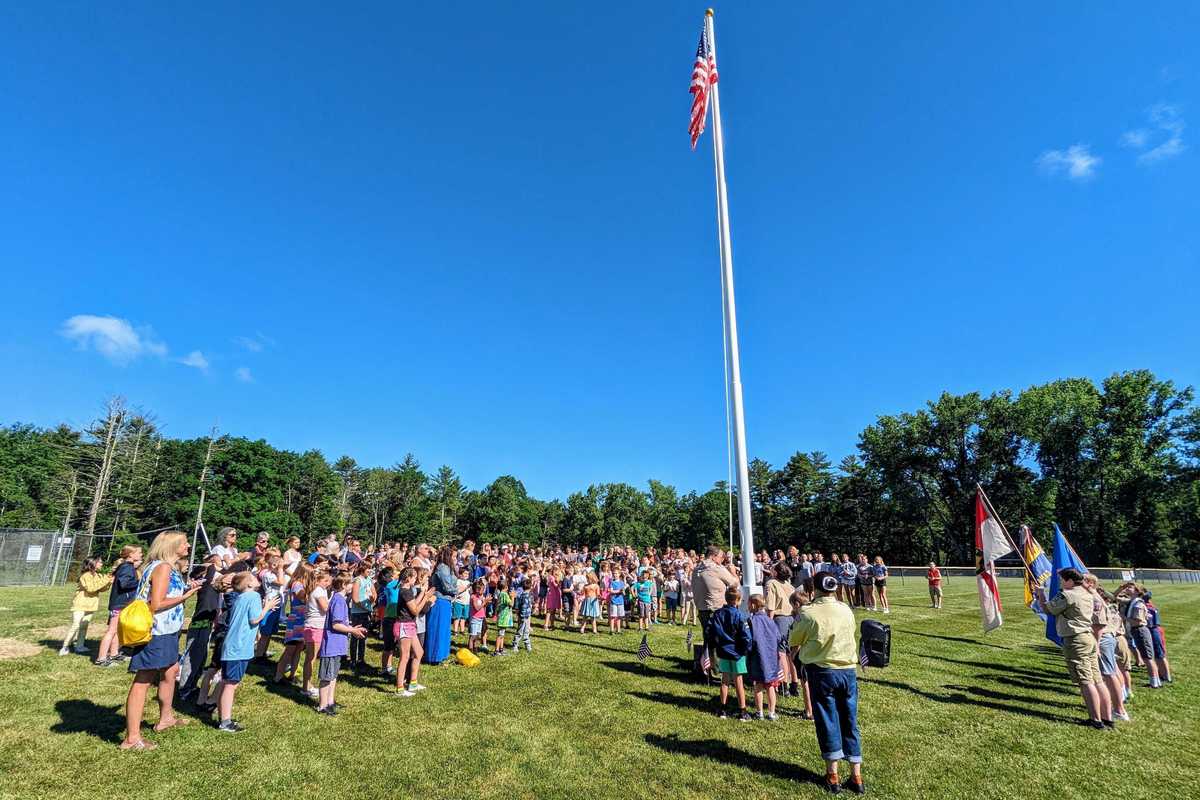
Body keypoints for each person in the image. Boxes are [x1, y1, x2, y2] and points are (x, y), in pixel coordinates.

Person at [121, 531, 202, 751]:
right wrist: (184, 597)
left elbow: (164, 593)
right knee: (143, 679)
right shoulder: (163, 567)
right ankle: (132, 738)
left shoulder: (167, 567)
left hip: (168, 630)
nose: (187, 546)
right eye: (184, 543)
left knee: (170, 670)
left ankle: (165, 718)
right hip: (156, 631)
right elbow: (156, 603)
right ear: (173, 546)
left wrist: (185, 589)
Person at [789, 572, 865, 794]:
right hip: (848, 671)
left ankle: (833, 775)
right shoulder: (846, 609)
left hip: (822, 671)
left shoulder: (807, 612)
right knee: (850, 720)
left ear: (814, 590)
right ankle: (856, 775)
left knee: (827, 720)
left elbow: (795, 639)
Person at [1038, 568, 1112, 729]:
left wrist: (1040, 594)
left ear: (1070, 581)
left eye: (1063, 580)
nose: (1061, 583)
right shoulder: (1087, 593)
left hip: (1076, 639)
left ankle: (1096, 720)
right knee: (1097, 679)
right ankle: (1107, 718)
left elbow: (1048, 609)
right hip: (1089, 637)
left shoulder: (1067, 595)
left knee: (1085, 681)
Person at [215, 571, 279, 732]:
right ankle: (225, 722)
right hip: (239, 647)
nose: (257, 579)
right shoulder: (253, 596)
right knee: (231, 684)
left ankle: (223, 716)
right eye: (254, 578)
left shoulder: (240, 597)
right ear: (249, 584)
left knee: (226, 682)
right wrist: (267, 607)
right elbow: (255, 619)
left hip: (231, 645)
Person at [317, 574, 366, 715]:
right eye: (350, 583)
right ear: (344, 585)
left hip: (337, 645)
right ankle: (322, 705)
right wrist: (352, 630)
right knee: (327, 676)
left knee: (333, 675)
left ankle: (330, 701)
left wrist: (351, 627)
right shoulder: (338, 601)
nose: (352, 585)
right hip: (331, 645)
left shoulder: (340, 600)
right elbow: (336, 624)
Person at [1085, 576, 1130, 722]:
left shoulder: (1095, 598)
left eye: (1083, 580)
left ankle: (1119, 710)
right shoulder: (1095, 597)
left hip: (1102, 639)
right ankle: (1118, 704)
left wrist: (1096, 644)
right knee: (1112, 672)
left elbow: (1098, 625)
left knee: (1108, 674)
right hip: (1107, 638)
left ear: (1090, 583)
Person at [693, 546, 738, 677]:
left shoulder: (697, 568)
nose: (722, 560)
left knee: (709, 640)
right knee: (720, 640)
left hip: (702, 609)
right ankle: (720, 671)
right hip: (716, 609)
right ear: (713, 556)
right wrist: (733, 571)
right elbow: (734, 583)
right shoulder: (716, 568)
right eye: (721, 557)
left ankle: (710, 668)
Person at [709, 586, 752, 721]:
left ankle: (722, 709)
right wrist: (747, 648)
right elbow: (746, 636)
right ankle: (743, 711)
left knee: (725, 680)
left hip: (723, 651)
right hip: (738, 652)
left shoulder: (718, 614)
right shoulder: (740, 616)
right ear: (738, 600)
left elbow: (712, 632)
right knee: (738, 681)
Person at [97, 545, 142, 666]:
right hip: (119, 604)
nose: (141, 555)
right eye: (139, 552)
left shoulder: (128, 567)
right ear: (131, 554)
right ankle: (101, 658)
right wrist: (139, 582)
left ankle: (114, 654)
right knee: (111, 630)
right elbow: (124, 584)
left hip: (123, 603)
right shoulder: (127, 568)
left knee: (118, 630)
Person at [60, 556, 113, 656]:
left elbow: (101, 589)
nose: (101, 564)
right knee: (76, 625)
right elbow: (91, 588)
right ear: (92, 563)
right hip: (80, 604)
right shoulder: (85, 575)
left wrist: (108, 582)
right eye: (99, 562)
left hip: (91, 605)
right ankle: (65, 646)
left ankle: (80, 646)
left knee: (84, 626)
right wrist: (106, 579)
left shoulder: (97, 575)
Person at [395, 567, 433, 695]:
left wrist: (423, 594)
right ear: (408, 578)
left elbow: (414, 604)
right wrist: (426, 597)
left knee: (419, 652)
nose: (416, 578)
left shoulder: (408, 591)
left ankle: (413, 683)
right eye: (414, 576)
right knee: (404, 657)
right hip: (403, 625)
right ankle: (400, 688)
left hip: (409, 625)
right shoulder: (405, 591)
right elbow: (416, 611)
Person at [747, 594, 782, 720]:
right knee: (770, 686)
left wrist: (748, 651)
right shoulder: (770, 620)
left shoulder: (751, 621)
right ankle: (772, 712)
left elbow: (749, 640)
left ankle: (759, 712)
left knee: (758, 685)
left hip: (757, 656)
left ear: (753, 605)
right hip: (771, 657)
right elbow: (778, 638)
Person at [423, 545, 457, 665]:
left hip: (446, 601)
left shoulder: (448, 568)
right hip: (439, 601)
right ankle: (434, 656)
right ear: (448, 557)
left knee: (444, 630)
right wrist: (457, 591)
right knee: (437, 629)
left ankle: (441, 655)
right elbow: (447, 586)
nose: (455, 559)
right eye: (454, 557)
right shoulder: (442, 568)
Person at [301, 569, 332, 699]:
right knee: (311, 658)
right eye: (325, 581)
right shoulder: (318, 591)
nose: (328, 583)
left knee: (311, 657)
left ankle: (307, 685)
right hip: (315, 626)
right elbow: (325, 608)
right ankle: (306, 686)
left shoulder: (319, 589)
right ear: (318, 581)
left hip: (315, 625)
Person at [349, 561, 375, 670]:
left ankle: (361, 659)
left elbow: (374, 593)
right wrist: (366, 608)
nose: (369, 571)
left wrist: (373, 599)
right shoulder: (357, 580)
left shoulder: (369, 580)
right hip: (357, 613)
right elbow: (355, 598)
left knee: (364, 636)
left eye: (370, 568)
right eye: (368, 568)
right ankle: (353, 660)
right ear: (362, 569)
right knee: (356, 636)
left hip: (366, 611)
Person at [514, 577, 535, 652]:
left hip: (527, 616)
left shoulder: (530, 596)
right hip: (522, 616)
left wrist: (533, 609)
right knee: (520, 631)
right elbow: (517, 607)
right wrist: (518, 615)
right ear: (530, 587)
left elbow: (531, 604)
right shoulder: (521, 596)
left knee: (526, 631)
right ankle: (515, 645)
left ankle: (527, 645)